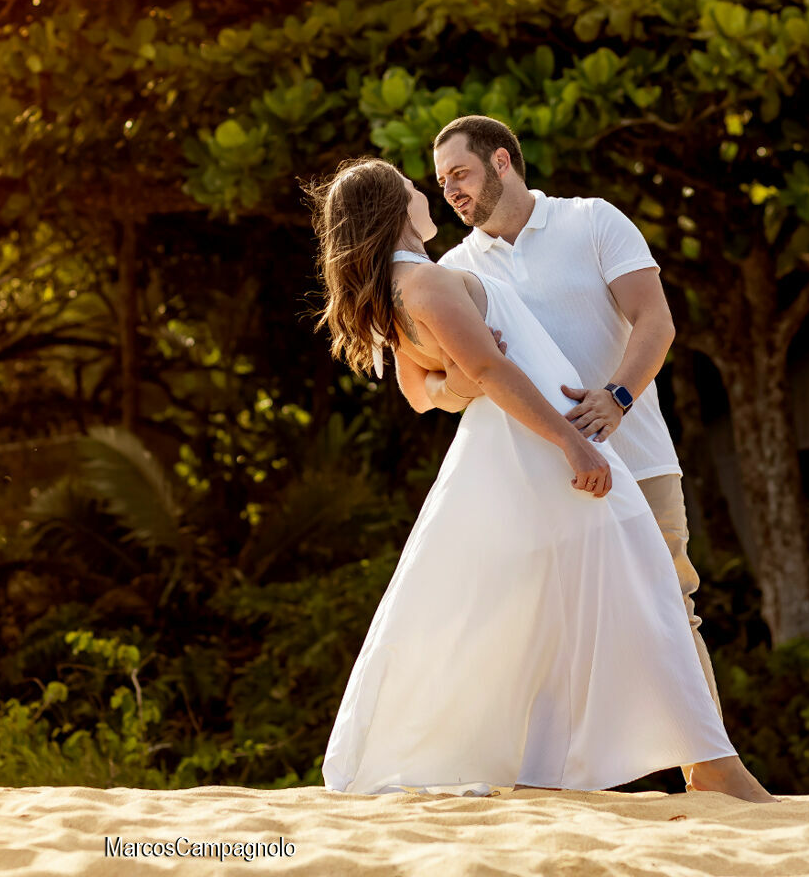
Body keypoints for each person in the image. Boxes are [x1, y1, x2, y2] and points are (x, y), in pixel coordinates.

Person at [307, 155, 775, 801]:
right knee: (644, 590)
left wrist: (472, 376)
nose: (430, 194)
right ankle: (709, 765)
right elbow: (487, 376)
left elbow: (427, 390)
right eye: (415, 188)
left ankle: (581, 766)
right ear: (392, 210)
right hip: (540, 449)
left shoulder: (394, 292)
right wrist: (571, 446)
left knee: (553, 609)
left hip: (512, 454)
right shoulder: (433, 281)